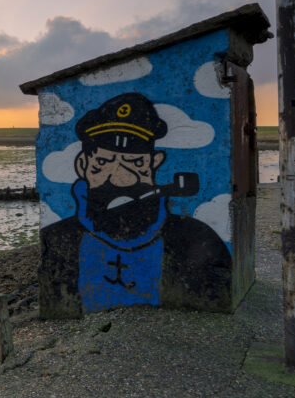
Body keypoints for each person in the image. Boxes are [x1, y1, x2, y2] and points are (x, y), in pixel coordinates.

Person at [39, 92, 231, 317]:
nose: (121, 177)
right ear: (83, 165)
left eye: (135, 163)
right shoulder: (58, 239)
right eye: (103, 162)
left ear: (155, 163)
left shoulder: (197, 238)